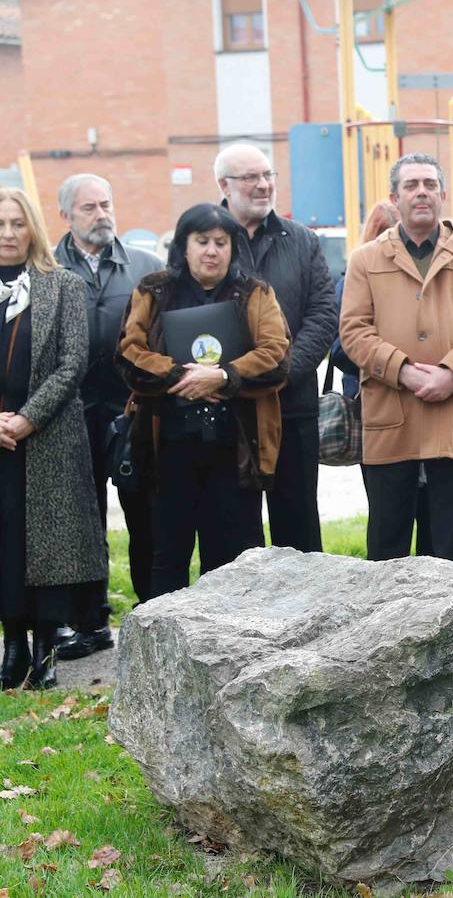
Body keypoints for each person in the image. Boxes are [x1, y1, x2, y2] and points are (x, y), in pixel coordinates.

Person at [116, 203, 290, 597]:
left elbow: (276, 355)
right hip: (166, 449)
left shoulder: (255, 293)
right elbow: (129, 353)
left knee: (236, 558)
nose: (212, 251)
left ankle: (236, 652)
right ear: (184, 245)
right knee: (166, 555)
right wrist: (182, 376)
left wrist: (224, 376)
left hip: (237, 447)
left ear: (232, 247)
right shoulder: (154, 290)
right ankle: (158, 652)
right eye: (202, 241)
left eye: (221, 242)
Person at [339, 153, 453, 565]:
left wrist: (452, 373)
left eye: (430, 184)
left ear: (443, 195)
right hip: (391, 413)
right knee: (388, 542)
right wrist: (405, 372)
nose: (422, 192)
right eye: (411, 185)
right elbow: (354, 331)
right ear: (394, 198)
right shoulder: (365, 260)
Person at [0, 189, 108, 690]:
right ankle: (13, 646)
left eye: (18, 224)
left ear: (34, 228)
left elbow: (72, 364)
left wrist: (26, 419)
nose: (8, 234)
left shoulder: (60, 285)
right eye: (0, 225)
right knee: (7, 545)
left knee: (49, 549)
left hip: (48, 440)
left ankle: (45, 649)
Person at [52, 173, 163, 659]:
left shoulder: (145, 265)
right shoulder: (47, 268)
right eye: (89, 208)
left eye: (106, 203)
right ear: (66, 216)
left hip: (132, 409)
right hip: (68, 414)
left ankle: (154, 612)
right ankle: (89, 621)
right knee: (82, 519)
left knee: (145, 513)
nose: (101, 214)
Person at [215, 143, 337, 553]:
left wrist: (283, 371)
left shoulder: (302, 240)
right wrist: (233, 378)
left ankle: (310, 615)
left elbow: (323, 314)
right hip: (227, 408)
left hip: (293, 406)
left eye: (268, 175)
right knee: (232, 528)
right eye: (251, 177)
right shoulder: (207, 240)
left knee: (298, 522)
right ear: (224, 185)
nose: (263, 185)